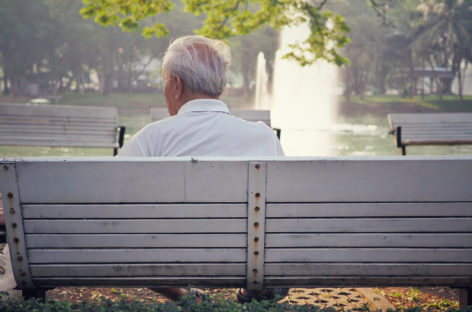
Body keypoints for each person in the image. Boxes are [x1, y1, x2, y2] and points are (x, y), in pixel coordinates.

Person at [118, 35, 288, 303]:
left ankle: (182, 295)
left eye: (164, 81)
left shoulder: (149, 139)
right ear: (219, 83)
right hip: (246, 258)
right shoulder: (263, 138)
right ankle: (255, 289)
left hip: (168, 259)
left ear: (176, 84)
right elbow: (284, 213)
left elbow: (112, 214)